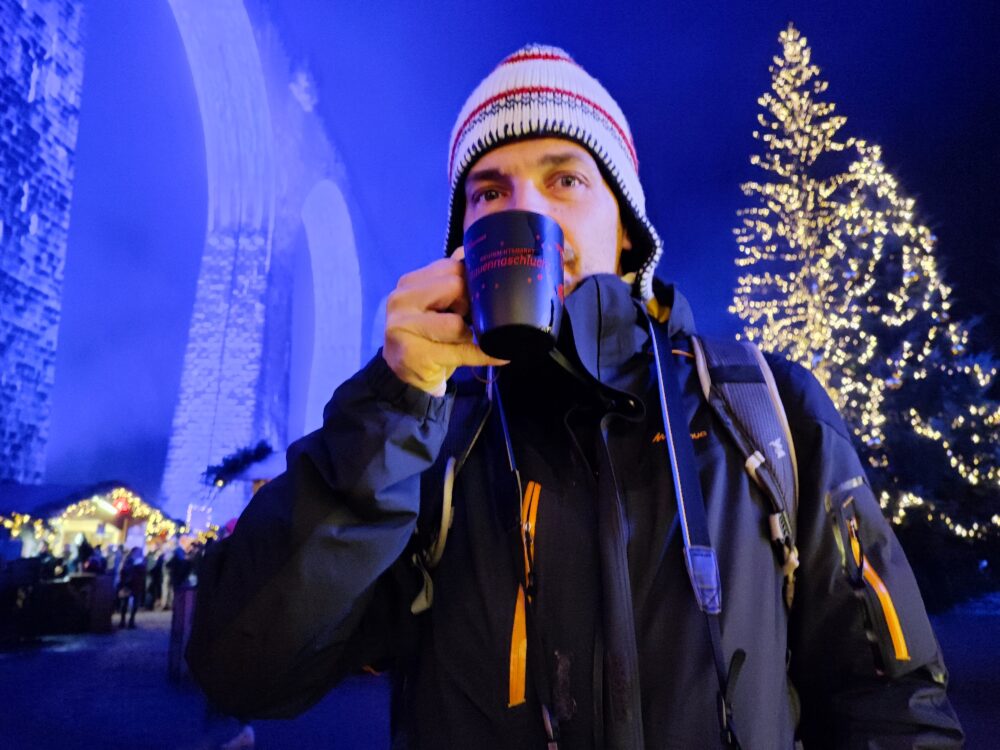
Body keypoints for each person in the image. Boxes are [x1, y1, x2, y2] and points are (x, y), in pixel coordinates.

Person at [187, 45, 963, 748]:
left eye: (565, 179)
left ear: (627, 228)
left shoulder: (763, 407)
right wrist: (391, 402)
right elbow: (242, 668)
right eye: (489, 192)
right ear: (463, 244)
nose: (527, 210)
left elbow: (890, 701)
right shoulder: (429, 441)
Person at [117, 546, 145, 629]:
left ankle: (125, 621)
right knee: (130, 603)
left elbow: (122, 571)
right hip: (133, 584)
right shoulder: (139, 562)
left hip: (129, 584)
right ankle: (129, 621)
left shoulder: (127, 560)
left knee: (126, 603)